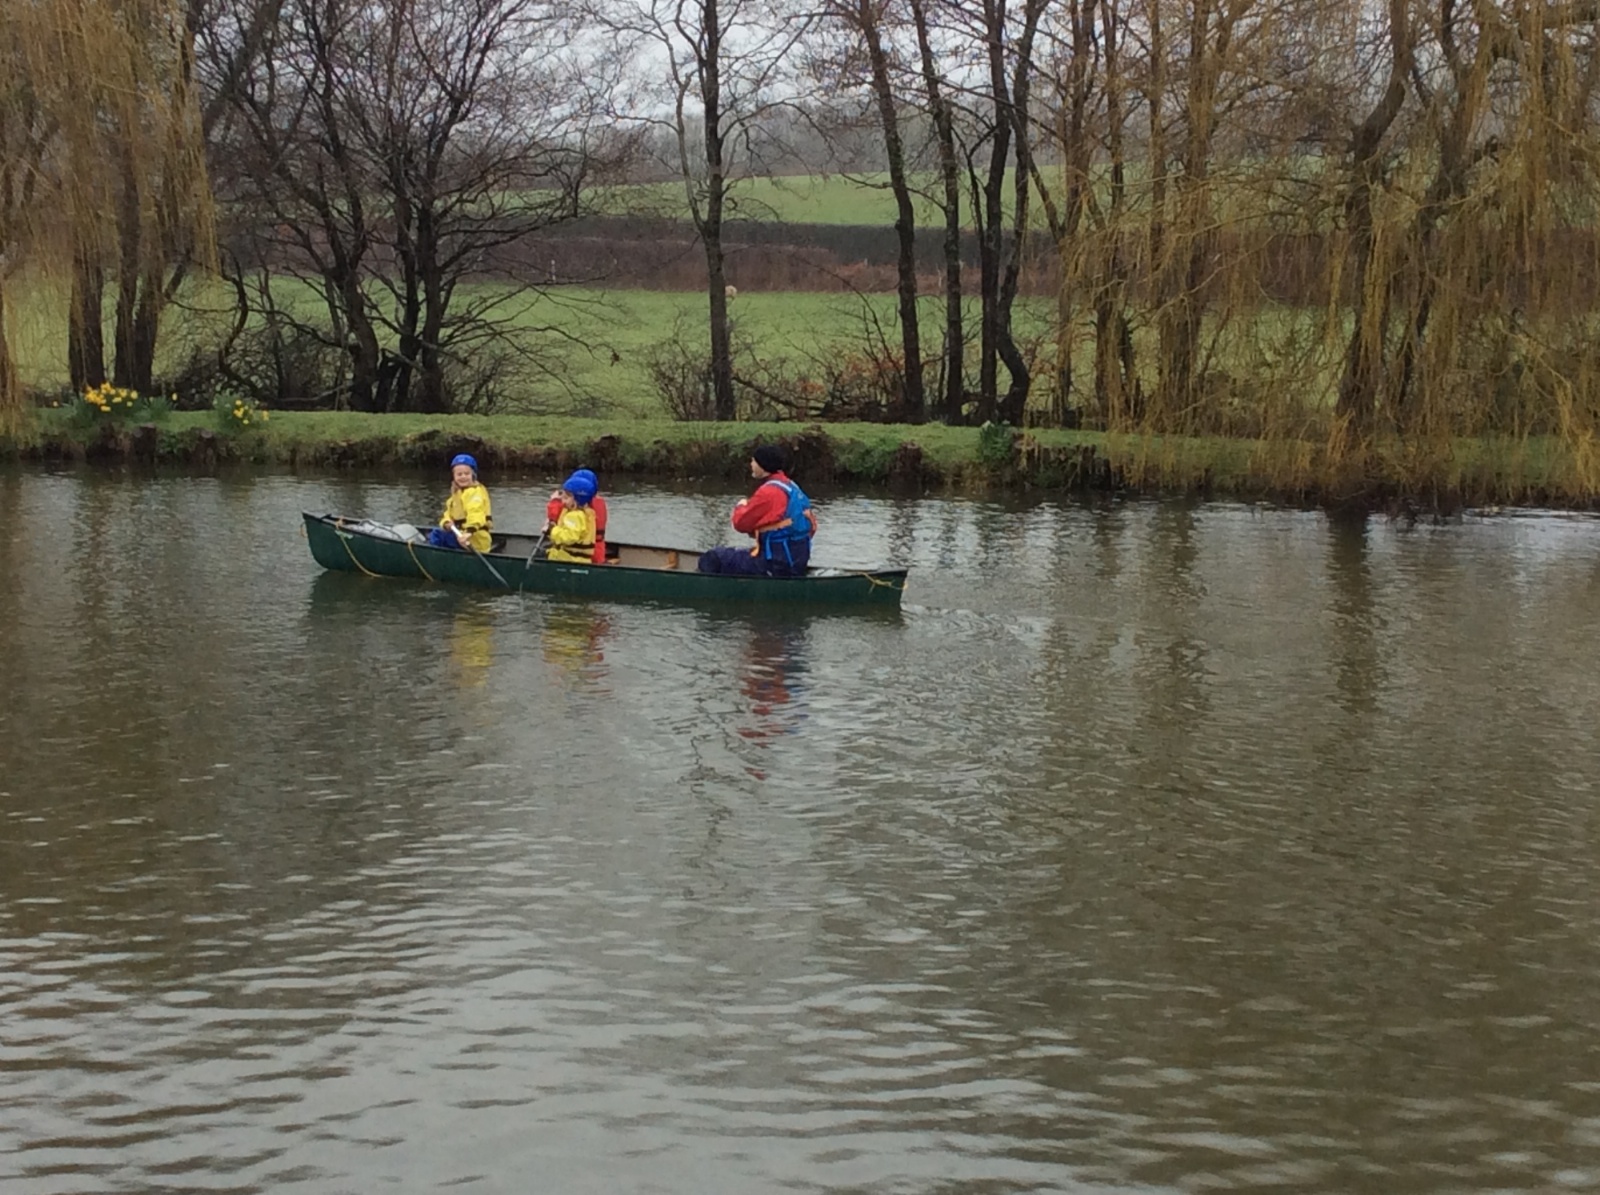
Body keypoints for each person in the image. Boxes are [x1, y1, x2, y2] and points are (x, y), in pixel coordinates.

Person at [698, 445, 816, 577]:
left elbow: (740, 524)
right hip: (796, 563)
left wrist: (741, 505)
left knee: (713, 557)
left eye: (753, 461)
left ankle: (710, 588)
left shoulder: (769, 492)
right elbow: (810, 527)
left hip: (774, 565)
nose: (751, 464)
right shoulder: (792, 487)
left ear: (763, 465)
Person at [427, 454, 492, 552]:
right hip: (460, 536)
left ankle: (431, 555)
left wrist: (469, 532)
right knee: (436, 534)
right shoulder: (457, 494)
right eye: (459, 474)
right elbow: (447, 514)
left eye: (467, 474)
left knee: (437, 534)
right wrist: (446, 523)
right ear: (454, 476)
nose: (463, 477)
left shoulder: (474, 493)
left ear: (473, 475)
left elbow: (476, 513)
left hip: (475, 541)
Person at [545, 468, 608, 563]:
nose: (563, 500)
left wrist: (551, 530)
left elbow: (568, 535)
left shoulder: (575, 515)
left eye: (566, 497)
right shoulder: (589, 511)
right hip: (591, 553)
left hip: (571, 559)